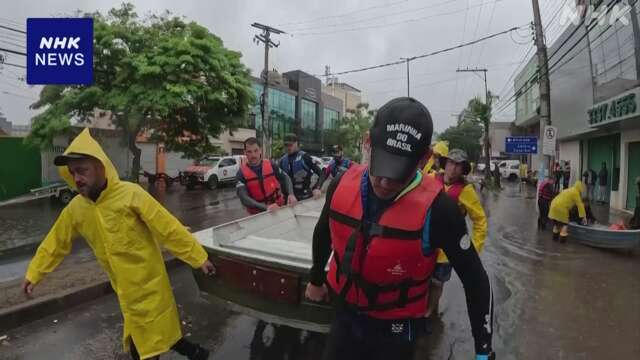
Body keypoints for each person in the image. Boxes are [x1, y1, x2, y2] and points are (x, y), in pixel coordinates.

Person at [304, 97, 495, 360]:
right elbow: (324, 231)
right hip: (345, 312)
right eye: (381, 165)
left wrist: (483, 352)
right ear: (368, 142)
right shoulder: (340, 185)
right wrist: (316, 279)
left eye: (398, 171)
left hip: (396, 325)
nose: (384, 181)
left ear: (424, 159)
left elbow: (475, 280)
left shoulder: (441, 210)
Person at [21, 129, 214, 360]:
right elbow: (55, 242)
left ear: (101, 166)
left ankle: (193, 352)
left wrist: (199, 258)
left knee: (146, 345)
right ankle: (196, 352)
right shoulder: (76, 208)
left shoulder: (131, 194)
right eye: (73, 173)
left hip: (150, 286)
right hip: (125, 292)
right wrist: (34, 273)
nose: (77, 178)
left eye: (82, 170)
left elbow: (168, 228)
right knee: (154, 335)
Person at [426, 149, 488, 319]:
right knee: (421, 279)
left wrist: (473, 248)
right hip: (425, 243)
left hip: (447, 250)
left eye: (458, 166)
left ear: (463, 170)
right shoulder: (430, 179)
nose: (453, 168)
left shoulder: (466, 191)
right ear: (445, 164)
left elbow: (480, 220)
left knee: (437, 282)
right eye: (451, 163)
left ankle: (430, 312)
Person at [236, 137, 296, 214]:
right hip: (258, 215)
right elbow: (243, 198)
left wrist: (291, 194)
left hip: (278, 209)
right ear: (245, 152)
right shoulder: (240, 174)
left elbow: (285, 177)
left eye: (256, 150)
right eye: (249, 152)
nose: (253, 155)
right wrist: (266, 207)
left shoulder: (271, 164)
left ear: (260, 150)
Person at [279, 133, 326, 201]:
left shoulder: (305, 157)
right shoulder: (282, 161)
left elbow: (321, 174)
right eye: (286, 145)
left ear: (296, 144)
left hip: (305, 197)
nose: (288, 147)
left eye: (290, 145)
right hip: (289, 199)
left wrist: (317, 188)